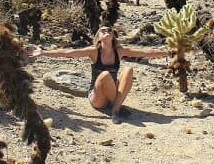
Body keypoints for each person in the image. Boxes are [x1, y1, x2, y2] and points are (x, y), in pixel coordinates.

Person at [27, 26, 172, 124]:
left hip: (113, 94)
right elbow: (68, 53)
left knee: (128, 69)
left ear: (113, 36)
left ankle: (115, 110)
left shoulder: (119, 51)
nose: (107, 31)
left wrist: (166, 52)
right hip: (98, 97)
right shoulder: (93, 51)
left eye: (109, 30)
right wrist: (44, 52)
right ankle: (116, 107)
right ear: (99, 38)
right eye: (103, 31)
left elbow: (144, 53)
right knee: (104, 75)